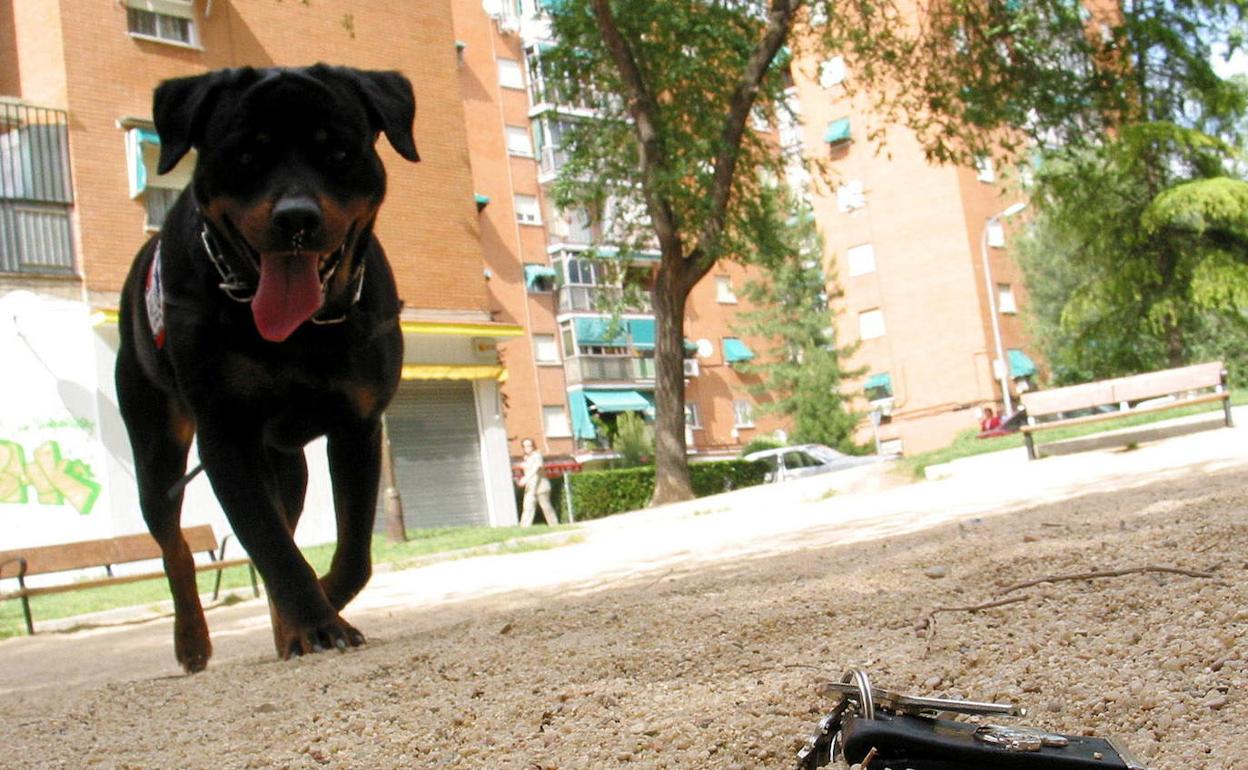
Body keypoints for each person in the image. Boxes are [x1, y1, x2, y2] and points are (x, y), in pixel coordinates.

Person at [518, 438, 558, 527]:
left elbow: (536, 468)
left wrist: (525, 478)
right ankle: (524, 527)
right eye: (525, 446)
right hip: (530, 487)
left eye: (529, 445)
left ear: (533, 446)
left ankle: (554, 525)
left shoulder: (537, 456)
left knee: (546, 507)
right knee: (527, 507)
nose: (527, 448)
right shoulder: (526, 458)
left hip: (541, 487)